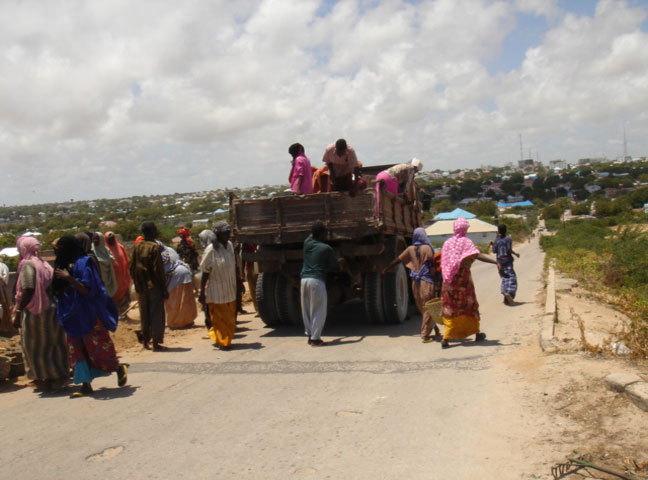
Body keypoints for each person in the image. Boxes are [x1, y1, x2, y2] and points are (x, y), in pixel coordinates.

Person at [53, 235, 127, 397]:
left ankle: (117, 368)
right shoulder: (67, 263)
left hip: (88, 313)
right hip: (72, 315)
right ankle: (85, 384)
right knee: (77, 350)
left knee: (97, 346)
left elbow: (87, 289)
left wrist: (69, 278)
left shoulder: (85, 263)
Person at [12, 236, 69, 392]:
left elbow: (28, 288)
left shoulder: (28, 265)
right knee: (54, 343)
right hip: (51, 308)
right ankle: (58, 375)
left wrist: (18, 311)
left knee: (34, 346)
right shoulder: (44, 264)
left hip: (36, 311)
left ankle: (44, 378)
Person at [440, 217, 498, 349]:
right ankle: (476, 333)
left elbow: (443, 263)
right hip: (463, 281)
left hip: (448, 282)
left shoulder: (447, 243)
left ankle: (446, 337)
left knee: (450, 307)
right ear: (465, 229)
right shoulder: (466, 242)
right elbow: (477, 255)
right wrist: (495, 262)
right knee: (469, 305)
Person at [382, 227, 440, 342]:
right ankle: (425, 335)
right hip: (427, 282)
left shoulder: (409, 249)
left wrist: (386, 269)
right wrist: (437, 282)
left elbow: (398, 260)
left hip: (415, 283)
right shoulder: (427, 248)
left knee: (422, 307)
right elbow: (432, 267)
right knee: (429, 307)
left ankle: (434, 328)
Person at [300, 221, 341, 346]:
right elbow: (336, 267)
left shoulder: (306, 243)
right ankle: (315, 339)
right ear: (323, 234)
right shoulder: (326, 248)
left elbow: (310, 235)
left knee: (307, 309)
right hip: (317, 281)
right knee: (318, 310)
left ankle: (309, 335)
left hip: (304, 280)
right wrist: (340, 261)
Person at [130, 222, 168, 351]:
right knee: (156, 314)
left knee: (144, 314)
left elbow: (132, 267)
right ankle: (156, 343)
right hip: (154, 286)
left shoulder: (137, 246)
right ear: (152, 232)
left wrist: (137, 283)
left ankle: (145, 341)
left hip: (141, 286)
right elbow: (158, 270)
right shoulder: (154, 247)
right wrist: (164, 287)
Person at [199, 221, 237, 350]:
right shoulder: (211, 250)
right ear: (217, 234)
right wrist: (202, 292)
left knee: (230, 319)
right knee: (219, 319)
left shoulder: (230, 246)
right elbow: (205, 272)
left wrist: (239, 282)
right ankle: (223, 342)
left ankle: (221, 337)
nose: (227, 236)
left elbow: (233, 266)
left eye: (228, 233)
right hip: (216, 291)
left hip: (230, 289)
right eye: (224, 233)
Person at [159, 242, 197, 329]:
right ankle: (187, 321)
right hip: (184, 272)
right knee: (185, 300)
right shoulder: (168, 250)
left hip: (175, 276)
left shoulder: (158, 256)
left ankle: (176, 323)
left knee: (175, 300)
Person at [491, 224, 520, 305]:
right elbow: (509, 249)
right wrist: (516, 254)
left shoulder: (496, 240)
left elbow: (494, 251)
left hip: (499, 262)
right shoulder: (508, 239)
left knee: (504, 278)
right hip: (507, 260)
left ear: (498, 231)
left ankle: (505, 294)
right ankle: (509, 292)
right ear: (506, 230)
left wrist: (493, 244)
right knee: (511, 277)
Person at [104, 231, 131, 314]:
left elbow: (127, 260)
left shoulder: (120, 247)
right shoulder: (105, 250)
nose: (111, 240)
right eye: (109, 238)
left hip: (123, 277)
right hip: (113, 279)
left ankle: (124, 312)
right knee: (114, 296)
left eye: (112, 238)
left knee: (124, 295)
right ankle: (116, 314)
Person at [91, 232, 118, 298]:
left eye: (97, 239)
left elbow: (112, 260)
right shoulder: (92, 252)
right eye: (94, 239)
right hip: (99, 282)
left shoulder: (107, 250)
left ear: (101, 240)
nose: (95, 241)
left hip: (109, 277)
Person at [0, 259, 13, 334]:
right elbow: (5, 279)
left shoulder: (3, 266)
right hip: (1, 287)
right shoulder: (4, 266)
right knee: (4, 306)